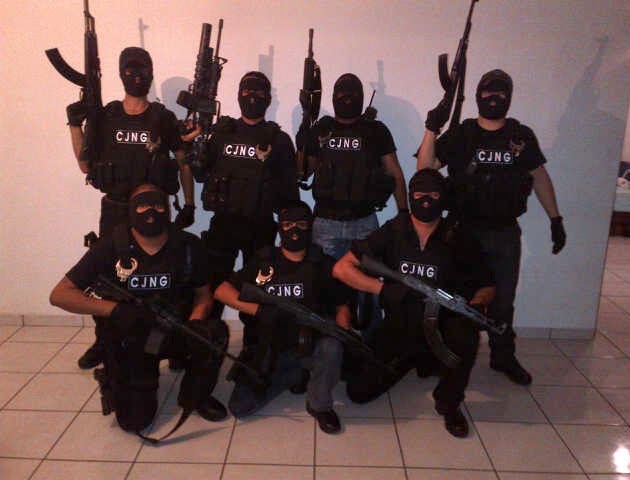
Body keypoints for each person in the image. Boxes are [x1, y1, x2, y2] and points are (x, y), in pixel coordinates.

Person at [416, 69, 567, 385]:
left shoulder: (520, 136)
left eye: (500, 92)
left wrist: (555, 219)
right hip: (462, 231)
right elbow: (425, 169)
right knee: (452, 296)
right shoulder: (462, 134)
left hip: (504, 232)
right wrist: (431, 128)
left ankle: (502, 356)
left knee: (502, 300)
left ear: (509, 97)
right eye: (488, 92)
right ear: (477, 95)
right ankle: (443, 353)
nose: (494, 98)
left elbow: (539, 177)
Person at [49, 184, 227, 435]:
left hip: (175, 327)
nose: (150, 212)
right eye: (142, 206)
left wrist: (195, 323)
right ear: (131, 211)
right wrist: (115, 310)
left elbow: (203, 295)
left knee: (213, 334)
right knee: (134, 423)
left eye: (157, 205)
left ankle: (195, 396)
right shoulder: (111, 246)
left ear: (167, 209)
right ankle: (114, 377)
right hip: (132, 338)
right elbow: (59, 295)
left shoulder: (187, 245)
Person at [333, 169, 495, 437]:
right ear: (410, 197)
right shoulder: (394, 230)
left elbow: (487, 284)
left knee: (465, 337)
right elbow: (342, 268)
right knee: (358, 392)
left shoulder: (458, 236)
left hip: (443, 323)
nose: (426, 200)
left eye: (434, 195)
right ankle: (414, 359)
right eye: (420, 194)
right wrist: (383, 290)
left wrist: (478, 304)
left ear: (443, 198)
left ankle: (449, 403)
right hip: (400, 323)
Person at [67, 47, 197, 369]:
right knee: (107, 279)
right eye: (130, 69)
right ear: (120, 73)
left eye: (143, 69)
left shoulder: (163, 119)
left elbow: (183, 163)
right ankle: (104, 341)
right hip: (115, 210)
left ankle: (172, 341)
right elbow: (85, 165)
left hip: (154, 212)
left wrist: (189, 204)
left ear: (151, 73)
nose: (137, 76)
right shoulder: (106, 116)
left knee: (166, 275)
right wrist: (74, 125)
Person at [214, 201, 349, 434]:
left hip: (310, 344)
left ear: (310, 227)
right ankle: (294, 375)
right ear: (280, 228)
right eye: (287, 224)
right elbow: (221, 291)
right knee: (240, 407)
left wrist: (341, 331)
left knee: (332, 347)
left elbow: (342, 304)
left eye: (301, 224)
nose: (294, 230)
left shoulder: (322, 263)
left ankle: (319, 404)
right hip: (269, 347)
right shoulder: (264, 261)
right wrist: (258, 310)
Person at [195, 71, 299, 350]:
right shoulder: (221, 133)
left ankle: (254, 349)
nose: (252, 97)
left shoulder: (279, 140)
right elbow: (200, 173)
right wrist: (195, 141)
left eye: (259, 92)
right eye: (247, 91)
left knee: (258, 288)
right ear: (238, 95)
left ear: (269, 98)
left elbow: (290, 194)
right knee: (213, 284)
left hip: (260, 225)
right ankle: (206, 345)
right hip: (224, 223)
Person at [296, 73, 408, 333]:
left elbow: (394, 172)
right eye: (342, 93)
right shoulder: (322, 129)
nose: (347, 98)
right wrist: (304, 131)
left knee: (368, 288)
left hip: (364, 221)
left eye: (353, 93)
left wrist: (404, 212)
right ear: (333, 97)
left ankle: (370, 342)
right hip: (326, 222)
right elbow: (302, 172)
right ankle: (328, 342)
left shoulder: (375, 131)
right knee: (325, 284)